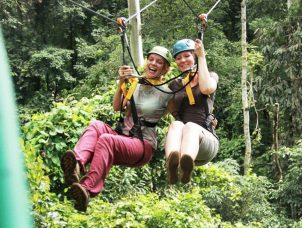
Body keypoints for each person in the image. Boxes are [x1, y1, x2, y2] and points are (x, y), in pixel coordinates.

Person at [60, 46, 173, 212]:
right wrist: (121, 83)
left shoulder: (168, 92)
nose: (153, 63)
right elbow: (117, 106)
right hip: (123, 136)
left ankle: (87, 188)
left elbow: (181, 112)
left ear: (165, 68)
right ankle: (76, 165)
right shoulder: (135, 82)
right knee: (96, 125)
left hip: (143, 144)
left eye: (159, 62)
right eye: (151, 59)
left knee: (106, 140)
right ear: (146, 62)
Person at [165, 38, 219, 184]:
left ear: (194, 56)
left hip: (205, 141)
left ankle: (186, 164)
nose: (183, 60)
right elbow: (160, 109)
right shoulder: (175, 85)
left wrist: (202, 56)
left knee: (190, 126)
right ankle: (172, 164)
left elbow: (207, 89)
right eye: (178, 58)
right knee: (176, 125)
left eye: (187, 56)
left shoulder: (210, 77)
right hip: (181, 140)